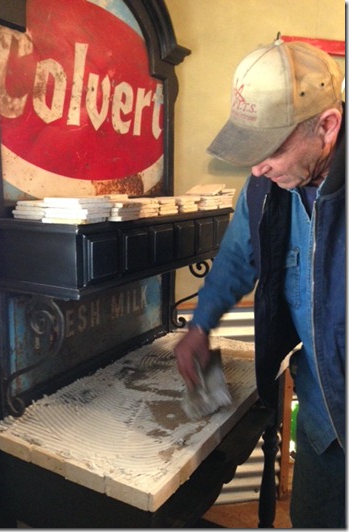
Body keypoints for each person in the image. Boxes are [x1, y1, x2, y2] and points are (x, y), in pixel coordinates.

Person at [173, 37, 345, 528]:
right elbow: (234, 259)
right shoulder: (265, 188)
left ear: (327, 127)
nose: (256, 168)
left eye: (269, 150)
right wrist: (200, 326)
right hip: (322, 425)